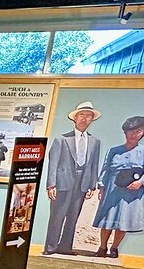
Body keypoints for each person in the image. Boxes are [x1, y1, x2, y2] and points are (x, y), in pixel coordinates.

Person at [44, 101, 101, 255]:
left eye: (88, 116)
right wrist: (51, 185)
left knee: (73, 217)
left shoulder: (95, 142)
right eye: (81, 115)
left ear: (92, 120)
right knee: (57, 216)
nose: (84, 119)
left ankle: (65, 247)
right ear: (75, 118)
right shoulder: (62, 139)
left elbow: (94, 165)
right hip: (63, 182)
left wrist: (92, 186)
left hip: (82, 183)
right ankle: (51, 247)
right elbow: (53, 163)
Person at [92, 115, 144, 258]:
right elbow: (105, 169)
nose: (134, 134)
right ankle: (102, 247)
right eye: (131, 130)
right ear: (125, 132)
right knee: (107, 220)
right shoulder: (113, 150)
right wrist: (101, 187)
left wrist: (140, 182)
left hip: (132, 191)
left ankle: (114, 248)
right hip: (112, 188)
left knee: (124, 221)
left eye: (139, 131)